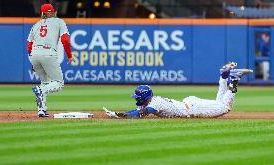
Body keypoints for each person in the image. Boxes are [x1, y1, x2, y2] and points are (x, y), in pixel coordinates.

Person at [104, 62, 253, 118]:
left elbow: (140, 114)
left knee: (225, 106)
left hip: (193, 107)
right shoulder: (150, 101)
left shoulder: (155, 104)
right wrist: (119, 114)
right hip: (188, 104)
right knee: (219, 102)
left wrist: (122, 116)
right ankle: (223, 76)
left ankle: (233, 78)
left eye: (137, 97)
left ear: (144, 97)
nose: (136, 99)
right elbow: (137, 111)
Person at [27, 3, 72, 117]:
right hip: (48, 53)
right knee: (59, 83)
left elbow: (29, 44)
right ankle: (40, 91)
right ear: (54, 12)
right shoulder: (59, 22)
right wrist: (69, 55)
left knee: (45, 82)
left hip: (34, 54)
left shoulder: (36, 25)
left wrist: (33, 59)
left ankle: (41, 110)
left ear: (42, 13)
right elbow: (65, 40)